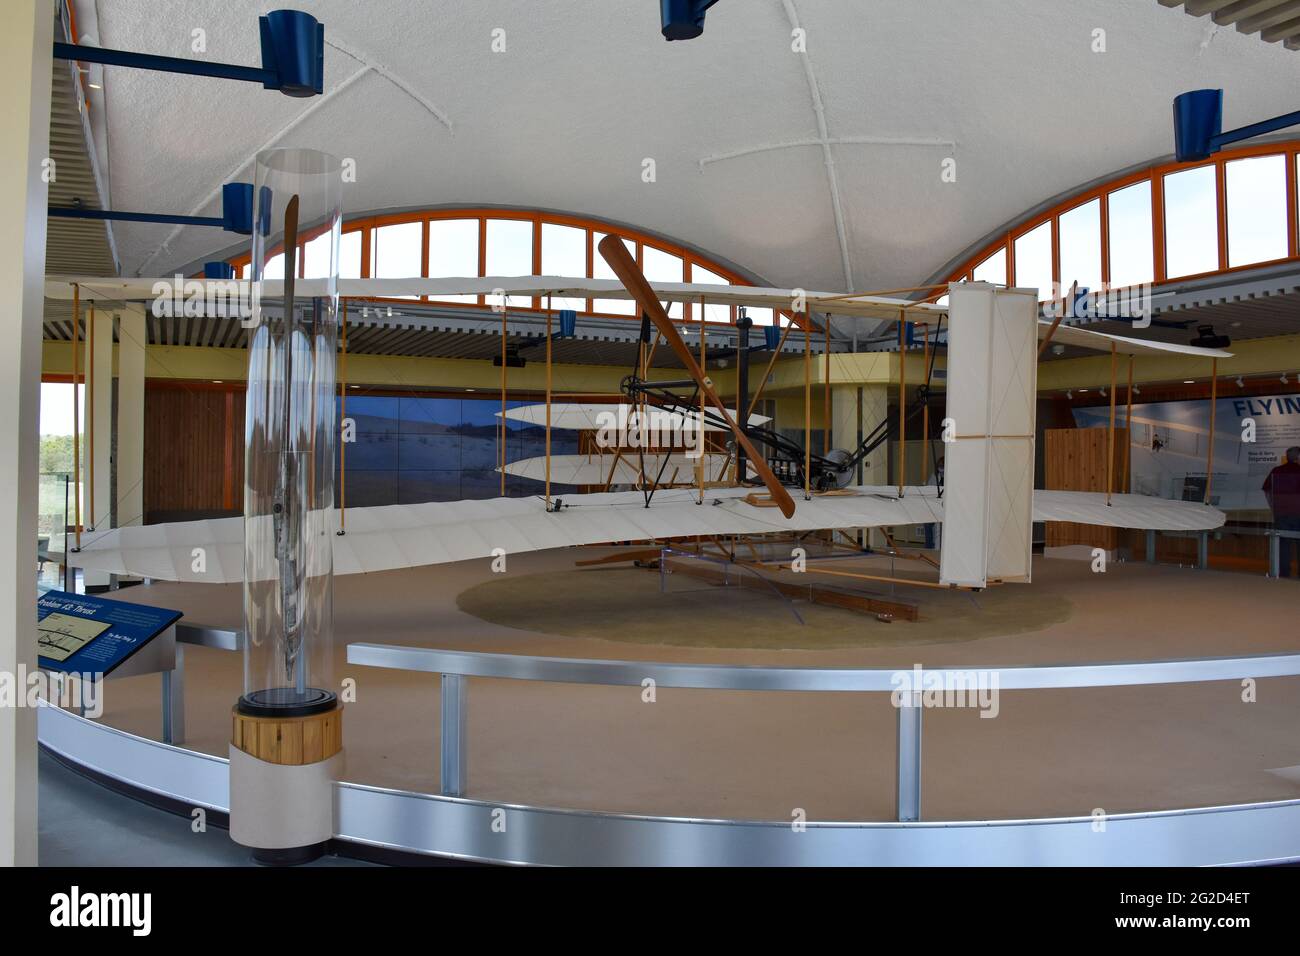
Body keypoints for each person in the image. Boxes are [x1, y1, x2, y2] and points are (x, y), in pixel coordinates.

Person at [1262, 446, 1300, 578]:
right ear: (1298, 457)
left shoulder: (1276, 471)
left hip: (1281, 514)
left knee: (1283, 545)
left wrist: (1274, 506)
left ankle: (1284, 574)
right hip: (1298, 514)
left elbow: (1267, 490)